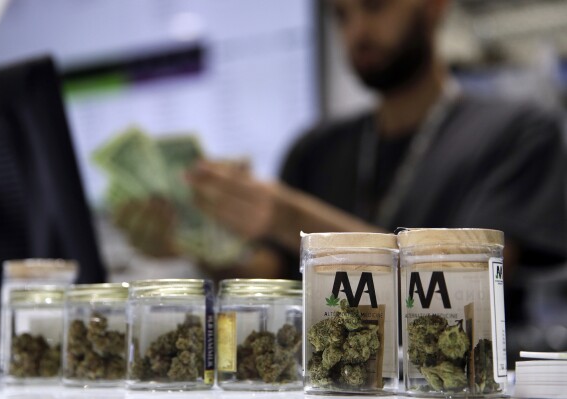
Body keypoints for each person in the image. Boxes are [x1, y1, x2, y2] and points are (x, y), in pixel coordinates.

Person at [187, 0, 567, 287]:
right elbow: (273, 283)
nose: (358, 32)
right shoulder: (315, 149)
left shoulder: (517, 133)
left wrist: (287, 217)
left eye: (374, 5)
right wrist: (194, 240)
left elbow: (470, 283)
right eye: (342, 16)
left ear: (436, 6)